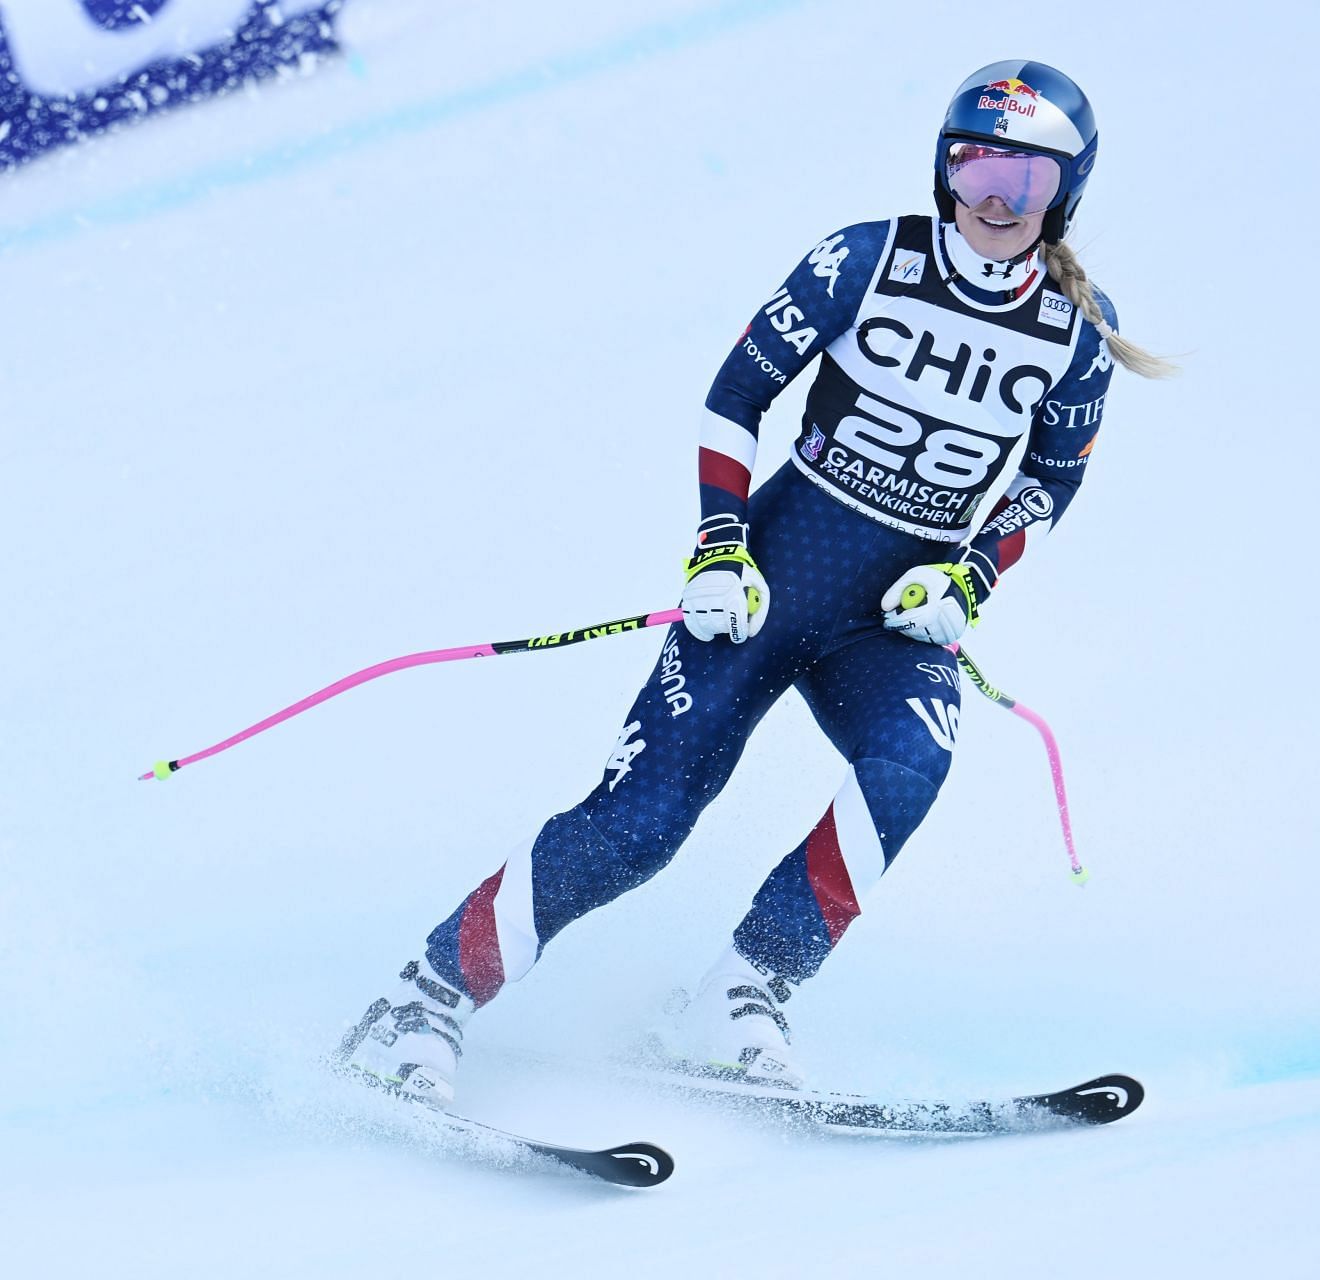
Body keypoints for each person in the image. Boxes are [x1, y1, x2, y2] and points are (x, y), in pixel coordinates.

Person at [336, 59, 1172, 1102]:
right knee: (638, 826)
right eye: (976, 169)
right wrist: (721, 544)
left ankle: (742, 989)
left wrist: (969, 578)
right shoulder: (864, 260)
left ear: (1068, 193)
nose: (996, 201)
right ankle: (421, 998)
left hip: (891, 623)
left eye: (1029, 182)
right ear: (943, 171)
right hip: (770, 580)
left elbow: (1048, 481)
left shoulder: (1077, 333)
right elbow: (737, 394)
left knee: (909, 764)